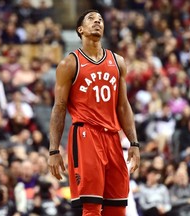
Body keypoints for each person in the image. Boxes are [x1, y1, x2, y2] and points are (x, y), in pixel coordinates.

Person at [48, 9, 140, 216]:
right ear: (80, 29)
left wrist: (133, 142)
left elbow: (123, 106)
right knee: (91, 207)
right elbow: (59, 107)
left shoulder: (118, 62)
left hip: (113, 138)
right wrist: (54, 150)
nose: (97, 21)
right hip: (86, 136)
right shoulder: (70, 63)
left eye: (100, 19)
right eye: (91, 19)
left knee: (117, 207)